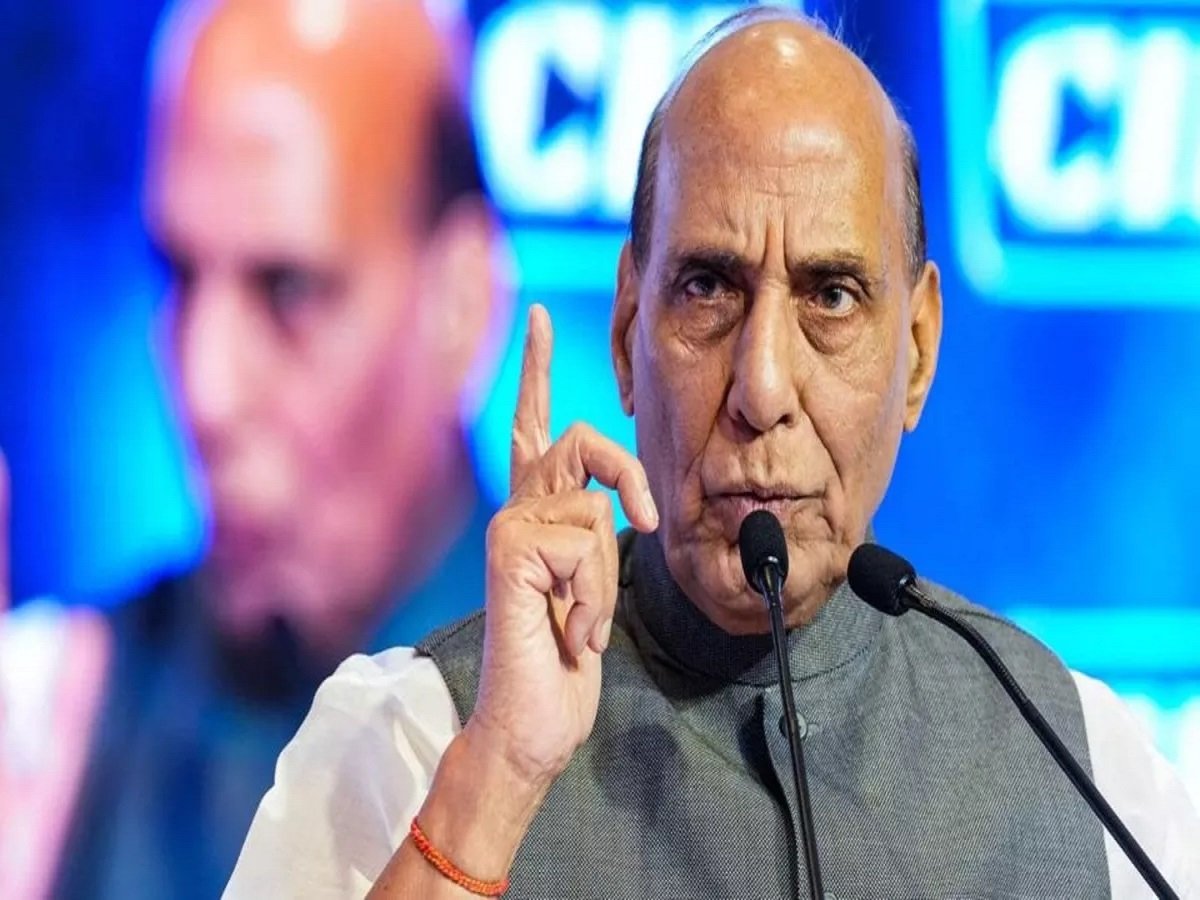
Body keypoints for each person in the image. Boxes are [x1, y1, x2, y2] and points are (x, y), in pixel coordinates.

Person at [226, 7, 1200, 899]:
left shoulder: (1081, 766)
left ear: (917, 353)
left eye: (830, 297)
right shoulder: (409, 739)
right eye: (708, 289)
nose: (762, 388)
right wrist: (503, 772)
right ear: (625, 335)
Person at [0, 0, 506, 897]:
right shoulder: (53, 727)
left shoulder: (630, 745)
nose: (206, 390)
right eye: (181, 277)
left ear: (462, 304)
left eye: (288, 291)